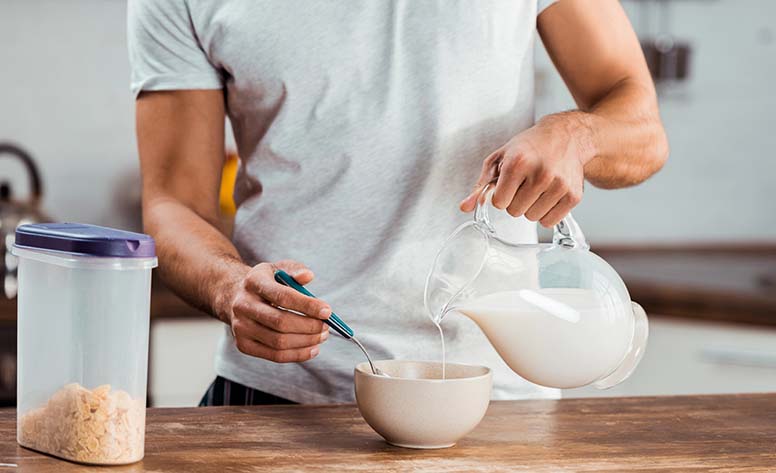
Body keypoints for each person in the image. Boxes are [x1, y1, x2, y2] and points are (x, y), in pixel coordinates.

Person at [128, 0, 668, 406]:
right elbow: (174, 202)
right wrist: (229, 288)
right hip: (280, 392)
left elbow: (642, 130)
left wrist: (577, 136)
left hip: (494, 397)